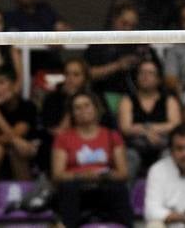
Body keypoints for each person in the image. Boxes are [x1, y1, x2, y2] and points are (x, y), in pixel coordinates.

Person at [51, 90, 133, 228]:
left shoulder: (112, 136)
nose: (82, 110)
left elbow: (123, 173)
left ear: (96, 108)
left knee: (119, 189)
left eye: (87, 105)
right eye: (77, 107)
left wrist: (102, 175)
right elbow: (57, 175)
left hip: (104, 185)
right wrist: (82, 176)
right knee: (67, 188)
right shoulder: (63, 138)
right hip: (76, 188)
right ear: (72, 113)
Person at [117, 56, 182, 178]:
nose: (145, 76)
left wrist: (144, 129)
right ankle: (128, 197)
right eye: (142, 72)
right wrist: (147, 132)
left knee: (169, 156)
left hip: (163, 145)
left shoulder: (169, 100)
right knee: (129, 157)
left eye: (150, 73)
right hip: (134, 147)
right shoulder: (127, 100)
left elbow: (175, 124)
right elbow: (125, 127)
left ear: (158, 78)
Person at [86, 1, 152, 107]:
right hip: (103, 96)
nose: (128, 29)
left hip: (134, 97)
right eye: (124, 23)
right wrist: (118, 65)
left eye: (132, 26)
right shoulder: (99, 42)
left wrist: (141, 60)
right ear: (114, 19)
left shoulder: (138, 44)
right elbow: (89, 74)